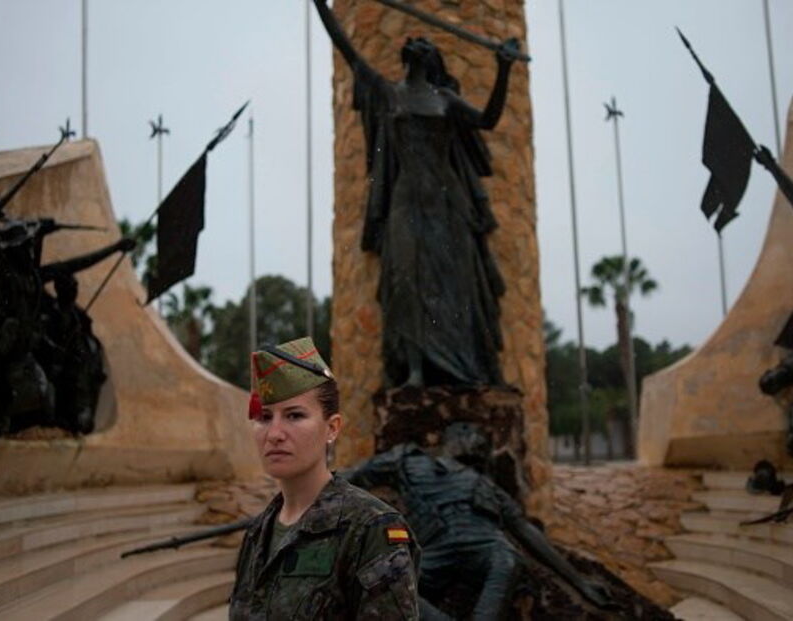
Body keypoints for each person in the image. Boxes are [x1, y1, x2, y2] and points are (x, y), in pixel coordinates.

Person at [311, 0, 521, 388]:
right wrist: (319, 6)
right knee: (406, 280)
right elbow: (346, 46)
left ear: (433, 58)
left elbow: (488, 119)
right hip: (406, 200)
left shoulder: (445, 99)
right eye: (415, 39)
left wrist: (504, 68)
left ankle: (467, 366)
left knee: (452, 282)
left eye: (426, 41)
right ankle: (414, 370)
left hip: (448, 201)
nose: (418, 40)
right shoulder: (388, 94)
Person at [229, 337, 421, 620]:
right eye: (265, 417)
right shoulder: (258, 534)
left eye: (294, 416)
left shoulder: (370, 529)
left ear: (332, 428)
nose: (274, 433)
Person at [343, 423, 615, 619]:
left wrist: (580, 582)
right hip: (434, 546)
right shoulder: (406, 459)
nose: (475, 441)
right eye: (468, 433)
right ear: (451, 437)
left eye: (479, 439)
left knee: (508, 559)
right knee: (389, 579)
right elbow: (356, 474)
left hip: (485, 543)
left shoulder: (484, 483)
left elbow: (524, 530)